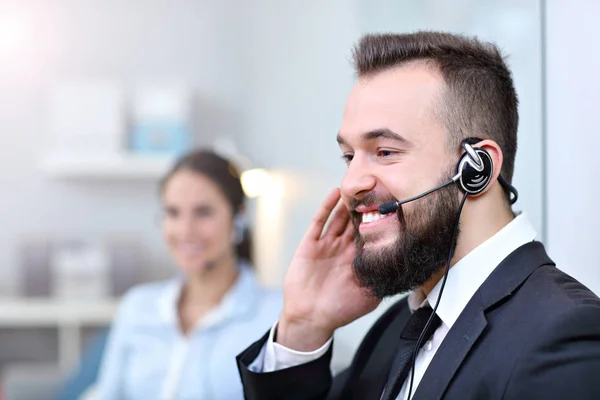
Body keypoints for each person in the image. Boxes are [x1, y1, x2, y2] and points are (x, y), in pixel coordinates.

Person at [235, 31, 600, 399]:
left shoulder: (562, 335)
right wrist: (304, 326)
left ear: (478, 168)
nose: (350, 184)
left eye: (385, 151)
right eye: (349, 157)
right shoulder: (398, 327)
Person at [95, 150, 283, 399]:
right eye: (173, 213)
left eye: (203, 212)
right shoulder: (137, 306)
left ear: (238, 216)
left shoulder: (277, 315)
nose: (185, 231)